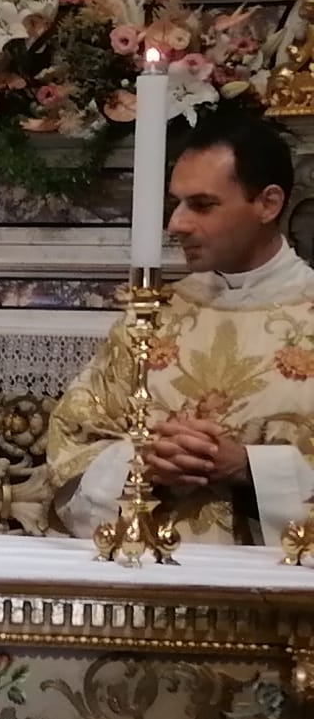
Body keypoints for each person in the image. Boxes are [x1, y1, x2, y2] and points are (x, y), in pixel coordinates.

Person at [51, 110, 314, 546]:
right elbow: (71, 452)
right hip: (149, 590)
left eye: (203, 205)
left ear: (268, 203)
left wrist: (248, 469)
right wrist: (141, 462)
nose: (177, 223)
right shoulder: (151, 318)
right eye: (177, 202)